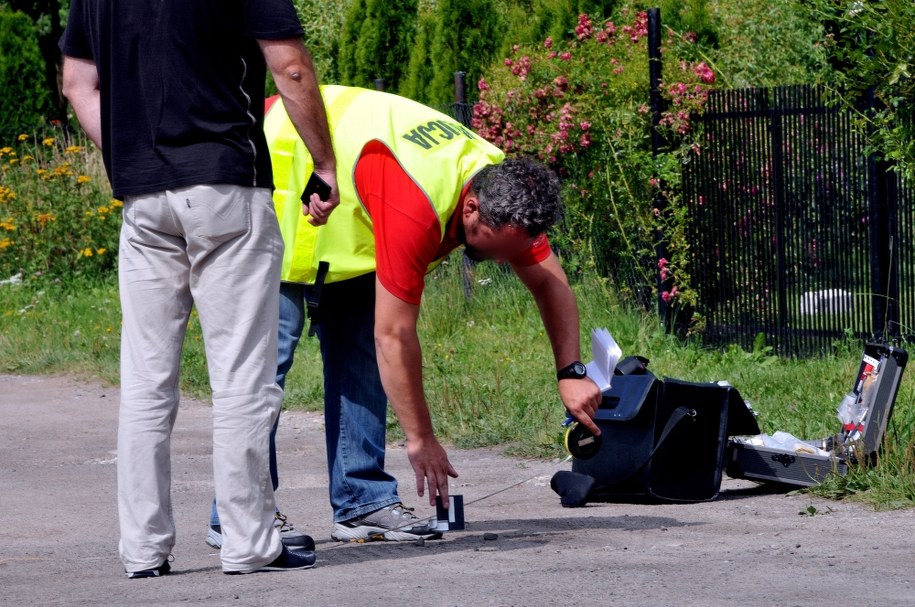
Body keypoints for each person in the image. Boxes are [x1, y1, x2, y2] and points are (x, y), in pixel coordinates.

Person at [60, 0, 338, 577]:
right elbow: (290, 66)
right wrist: (325, 163)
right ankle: (249, 543)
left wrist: (130, 152)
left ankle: (142, 550)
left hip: (144, 196)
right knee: (240, 376)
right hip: (224, 185)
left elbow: (77, 82)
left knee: (144, 380)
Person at [260, 86, 603, 542]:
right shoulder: (415, 202)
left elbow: (548, 281)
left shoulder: (502, 193)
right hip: (275, 175)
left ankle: (362, 504)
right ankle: (244, 515)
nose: (503, 262)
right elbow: (396, 337)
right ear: (471, 207)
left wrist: (571, 370)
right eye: (497, 249)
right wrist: (421, 440)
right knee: (263, 369)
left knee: (359, 352)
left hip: (347, 214)